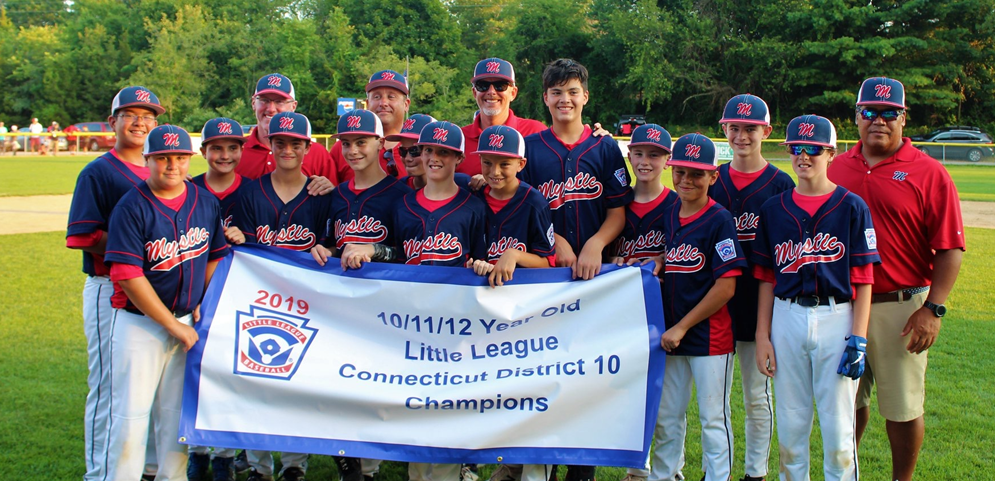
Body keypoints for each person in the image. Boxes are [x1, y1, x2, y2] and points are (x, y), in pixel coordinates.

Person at [827, 77, 965, 481]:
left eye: (890, 113)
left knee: (902, 408)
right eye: (870, 112)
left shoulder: (928, 172)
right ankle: (845, 473)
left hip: (900, 304)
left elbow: (951, 248)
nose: (879, 121)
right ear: (856, 117)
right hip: (843, 303)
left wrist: (933, 309)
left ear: (904, 118)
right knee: (847, 400)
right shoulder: (836, 167)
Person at [753, 114, 878, 481]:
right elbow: (765, 277)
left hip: (837, 317)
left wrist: (859, 336)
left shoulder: (852, 207)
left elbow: (864, 277)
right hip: (786, 316)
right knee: (791, 429)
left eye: (814, 149)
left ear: (831, 153)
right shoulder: (774, 209)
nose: (803, 156)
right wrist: (763, 335)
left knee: (840, 431)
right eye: (796, 149)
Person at [103, 124, 230, 480]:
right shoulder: (131, 206)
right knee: (130, 415)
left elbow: (214, 257)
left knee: (176, 417)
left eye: (179, 157)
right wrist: (173, 325)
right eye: (162, 158)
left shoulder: (205, 202)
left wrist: (205, 301)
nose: (171, 165)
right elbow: (128, 276)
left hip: (188, 320)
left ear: (190, 159)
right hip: (138, 325)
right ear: (147, 160)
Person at [65, 86, 165, 481]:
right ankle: (100, 473)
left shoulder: (159, 165)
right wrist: (132, 245)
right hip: (110, 289)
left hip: (157, 292)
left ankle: (150, 469)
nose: (140, 122)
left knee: (152, 387)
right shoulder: (99, 171)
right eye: (131, 114)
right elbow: (82, 236)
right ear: (113, 122)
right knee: (109, 386)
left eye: (148, 115)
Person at [234, 111, 333, 481]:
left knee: (300, 383)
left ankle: (294, 464)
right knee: (257, 380)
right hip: (258, 300)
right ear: (270, 146)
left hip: (307, 304)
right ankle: (260, 465)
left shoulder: (322, 194)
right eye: (280, 143)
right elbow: (240, 245)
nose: (288, 149)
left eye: (296, 143)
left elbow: (331, 245)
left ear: (308, 148)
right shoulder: (250, 191)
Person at [708, 94, 794, 481]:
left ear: (766, 132)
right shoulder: (712, 179)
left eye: (750, 128)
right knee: (716, 402)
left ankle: (755, 473)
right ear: (724, 130)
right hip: (715, 305)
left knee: (758, 396)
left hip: (763, 305)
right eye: (735, 128)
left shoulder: (781, 184)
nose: (742, 135)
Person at [655, 133, 743, 481]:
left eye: (697, 173)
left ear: (713, 177)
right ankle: (663, 476)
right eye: (680, 171)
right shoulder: (671, 213)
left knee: (713, 418)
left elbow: (726, 286)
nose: (686, 180)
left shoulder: (720, 219)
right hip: (673, 334)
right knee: (668, 416)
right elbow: (679, 257)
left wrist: (682, 327)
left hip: (709, 337)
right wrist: (661, 259)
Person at [521, 58, 633, 283]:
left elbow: (617, 212)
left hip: (596, 270)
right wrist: (555, 241)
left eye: (573, 92)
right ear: (546, 98)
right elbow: (521, 212)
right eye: (556, 92)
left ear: (585, 96)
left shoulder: (604, 146)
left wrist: (596, 243)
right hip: (544, 268)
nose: (565, 100)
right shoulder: (528, 148)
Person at [186, 117, 248, 481]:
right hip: (194, 293)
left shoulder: (254, 190)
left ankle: (223, 454)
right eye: (216, 148)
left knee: (227, 372)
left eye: (231, 147)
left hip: (238, 294)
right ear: (203, 151)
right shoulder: (189, 189)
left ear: (241, 151)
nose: (224, 155)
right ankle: (196, 450)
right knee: (193, 371)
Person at [235, 72, 338, 194]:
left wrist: (330, 189)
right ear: (253, 103)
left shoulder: (317, 153)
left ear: (293, 106)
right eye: (264, 100)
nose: (271, 109)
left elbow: (334, 201)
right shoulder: (236, 150)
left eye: (280, 101)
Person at [458, 58, 547, 177]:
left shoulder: (535, 131)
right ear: (475, 93)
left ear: (513, 93)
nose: (491, 92)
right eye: (483, 86)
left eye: (500, 86)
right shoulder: (459, 139)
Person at [610, 123, 677, 275]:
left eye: (653, 155)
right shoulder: (615, 203)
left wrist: (662, 258)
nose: (644, 161)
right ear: (629, 157)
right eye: (638, 154)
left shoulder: (678, 205)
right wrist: (608, 260)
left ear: (668, 161)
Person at [331, 70, 413, 181]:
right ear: (368, 103)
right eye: (376, 97)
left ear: (406, 104)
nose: (383, 103)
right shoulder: (343, 147)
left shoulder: (421, 148)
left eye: (391, 97)